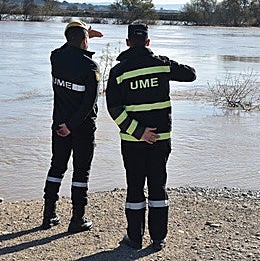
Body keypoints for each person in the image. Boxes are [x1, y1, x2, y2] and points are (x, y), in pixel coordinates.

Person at [105, 24, 196, 251]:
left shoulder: (118, 72)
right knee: (158, 186)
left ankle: (134, 238)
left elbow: (114, 108)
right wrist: (163, 62)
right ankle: (158, 238)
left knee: (135, 187)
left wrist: (138, 132)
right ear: (148, 42)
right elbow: (191, 74)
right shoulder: (162, 64)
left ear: (127, 42)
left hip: (132, 140)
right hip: (160, 139)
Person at [42, 20, 103, 233]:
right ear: (85, 40)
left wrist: (82, 34)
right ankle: (77, 219)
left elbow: (65, 47)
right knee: (81, 172)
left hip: (59, 124)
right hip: (82, 127)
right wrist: (71, 126)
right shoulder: (90, 66)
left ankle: (48, 214)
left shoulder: (56, 58)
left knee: (57, 166)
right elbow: (89, 103)